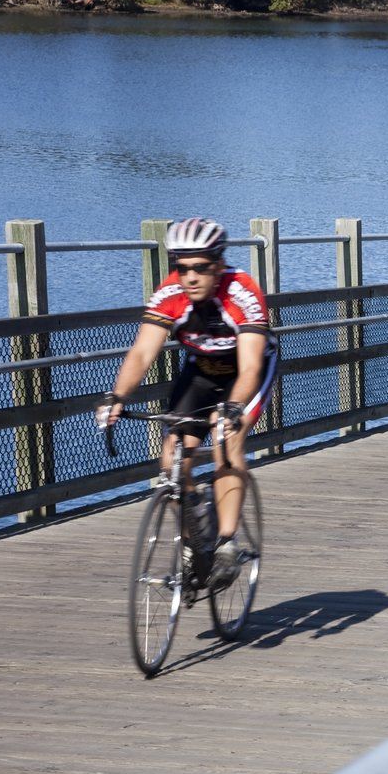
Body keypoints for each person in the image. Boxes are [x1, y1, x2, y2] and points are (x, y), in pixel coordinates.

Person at [98, 217, 275, 583]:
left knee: (225, 438)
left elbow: (249, 368)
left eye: (200, 268)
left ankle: (226, 544)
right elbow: (141, 354)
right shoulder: (170, 295)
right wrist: (117, 396)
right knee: (172, 459)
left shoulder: (242, 293)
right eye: (182, 268)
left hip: (246, 373)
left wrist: (232, 409)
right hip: (201, 371)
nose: (190, 277)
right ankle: (195, 536)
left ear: (219, 265)